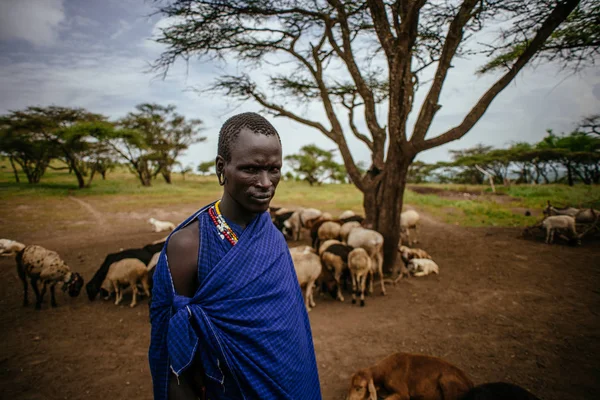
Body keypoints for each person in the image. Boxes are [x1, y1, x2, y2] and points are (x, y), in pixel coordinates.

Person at [149, 112, 322, 400]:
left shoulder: (274, 237)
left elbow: (293, 337)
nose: (266, 183)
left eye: (274, 169)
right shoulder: (187, 246)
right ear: (222, 167)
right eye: (251, 169)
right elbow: (174, 362)